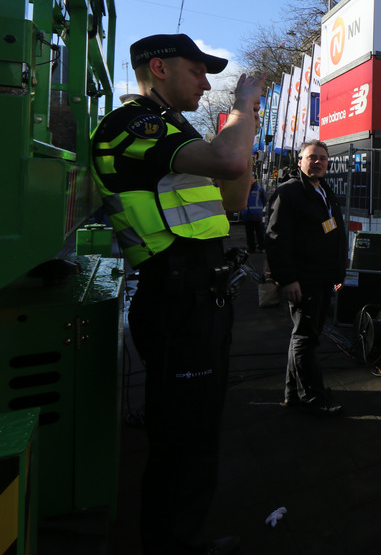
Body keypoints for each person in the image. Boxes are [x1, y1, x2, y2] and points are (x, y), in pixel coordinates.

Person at [90, 33, 261, 555]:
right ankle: (173, 545)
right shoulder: (132, 124)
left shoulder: (174, 131)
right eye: (197, 71)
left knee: (197, 430)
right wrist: (242, 107)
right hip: (176, 298)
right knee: (183, 438)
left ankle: (182, 538)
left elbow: (233, 197)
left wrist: (246, 129)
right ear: (159, 68)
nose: (206, 83)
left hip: (201, 298)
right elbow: (230, 165)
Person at [265, 140, 348, 416]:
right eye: (312, 157)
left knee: (304, 335)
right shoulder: (289, 192)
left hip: (323, 276)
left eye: (322, 158)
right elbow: (276, 239)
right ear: (300, 161)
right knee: (306, 339)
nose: (318, 162)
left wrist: (338, 272)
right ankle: (312, 396)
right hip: (304, 279)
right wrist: (287, 279)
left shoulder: (324, 190)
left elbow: (333, 232)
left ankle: (294, 394)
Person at [240, 178, 267, 253]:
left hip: (256, 215)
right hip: (247, 215)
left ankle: (261, 247)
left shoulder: (259, 189)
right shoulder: (243, 189)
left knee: (259, 233)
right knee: (249, 234)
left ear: (253, 180)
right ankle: (252, 248)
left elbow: (264, 200)